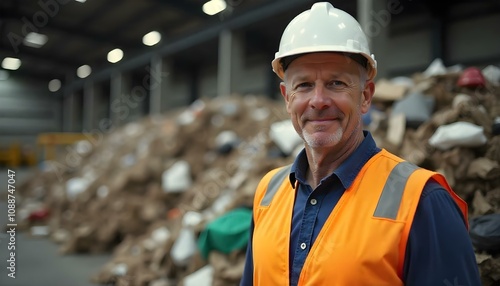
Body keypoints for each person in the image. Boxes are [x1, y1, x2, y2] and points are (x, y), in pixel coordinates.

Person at [240, 2, 481, 286]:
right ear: (286, 97)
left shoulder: (422, 201)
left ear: (366, 96)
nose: (318, 100)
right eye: (303, 85)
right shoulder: (268, 193)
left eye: (336, 83)